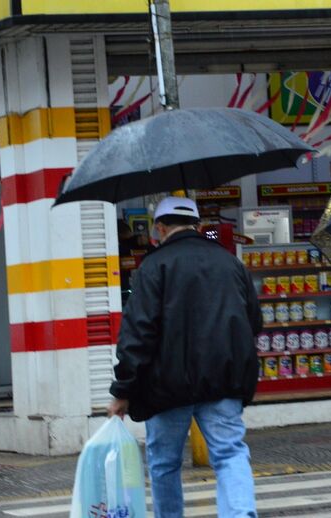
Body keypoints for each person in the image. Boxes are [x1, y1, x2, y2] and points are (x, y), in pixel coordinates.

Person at [108, 196, 262, 518]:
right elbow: (254, 321)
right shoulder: (230, 263)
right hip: (223, 380)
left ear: (161, 228)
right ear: (198, 226)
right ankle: (241, 514)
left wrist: (123, 389)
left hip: (167, 387)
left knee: (164, 463)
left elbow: (138, 333)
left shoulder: (153, 266)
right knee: (230, 453)